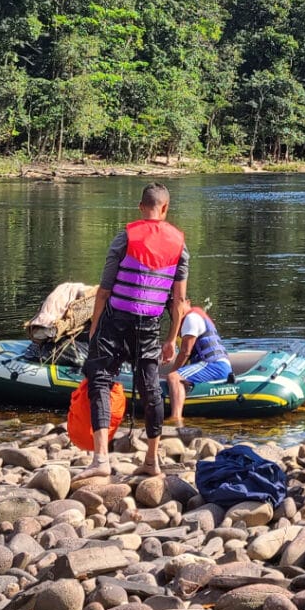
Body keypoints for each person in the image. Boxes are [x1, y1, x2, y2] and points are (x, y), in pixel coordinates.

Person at [77, 183, 189, 480]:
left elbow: (104, 291)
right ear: (165, 208)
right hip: (149, 325)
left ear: (141, 207)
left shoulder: (124, 237)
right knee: (150, 388)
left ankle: (100, 458)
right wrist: (171, 339)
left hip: (115, 320)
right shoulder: (179, 244)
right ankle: (152, 460)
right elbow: (178, 303)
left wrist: (94, 328)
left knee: (100, 379)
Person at [166, 301, 233, 429]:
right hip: (219, 364)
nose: (173, 311)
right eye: (170, 308)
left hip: (212, 365)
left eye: (175, 306)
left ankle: (176, 418)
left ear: (187, 302)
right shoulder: (197, 315)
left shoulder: (191, 318)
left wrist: (172, 372)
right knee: (177, 375)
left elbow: (186, 351)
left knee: (174, 377)